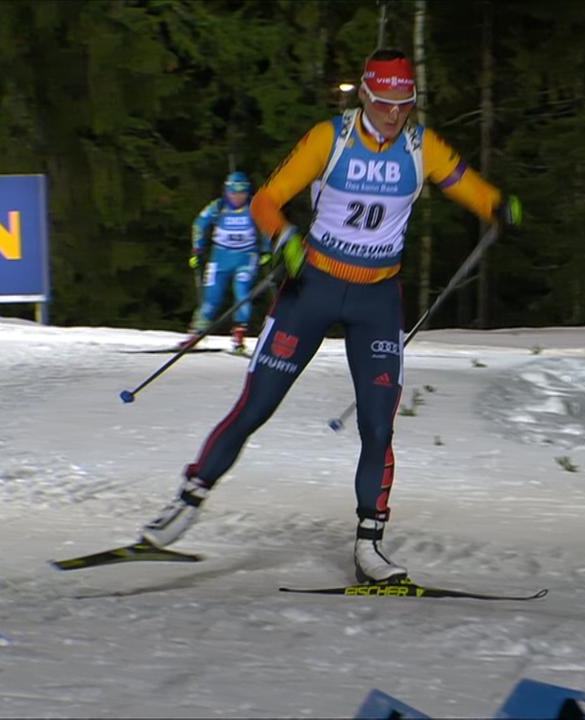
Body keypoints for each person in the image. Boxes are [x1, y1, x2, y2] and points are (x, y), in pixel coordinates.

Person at [140, 48, 523, 583]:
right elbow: (266, 200)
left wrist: (497, 203)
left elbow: (467, 185)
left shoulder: (420, 145)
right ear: (365, 94)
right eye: (386, 101)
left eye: (405, 101)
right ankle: (185, 501)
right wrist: (286, 237)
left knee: (377, 423)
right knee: (256, 405)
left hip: (376, 300)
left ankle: (370, 546)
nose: (395, 112)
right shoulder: (332, 137)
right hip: (312, 289)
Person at [181, 171, 272, 353]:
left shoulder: (254, 207)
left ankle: (239, 335)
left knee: (242, 291)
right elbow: (199, 224)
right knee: (211, 298)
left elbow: (267, 226)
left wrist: (266, 250)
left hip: (246, 257)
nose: (237, 197)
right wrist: (197, 250)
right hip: (220, 257)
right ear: (226, 191)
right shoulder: (219, 206)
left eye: (242, 193)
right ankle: (196, 333)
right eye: (233, 192)